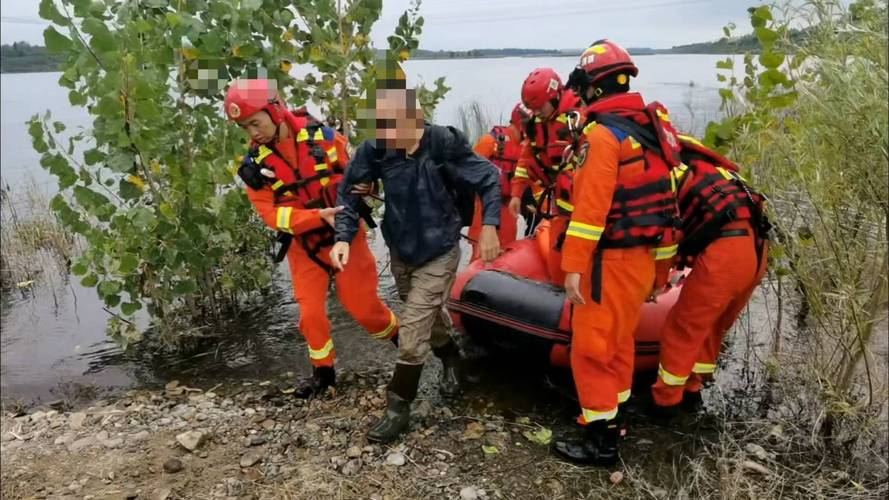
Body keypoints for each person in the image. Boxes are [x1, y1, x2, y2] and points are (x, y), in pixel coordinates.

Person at [331, 74, 502, 444]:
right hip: (402, 248)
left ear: (416, 114)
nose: (388, 133)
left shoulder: (443, 143)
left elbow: (489, 176)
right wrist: (343, 237)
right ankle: (453, 356)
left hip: (441, 248)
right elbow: (347, 192)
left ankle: (398, 408)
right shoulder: (376, 148)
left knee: (411, 332)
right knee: (423, 317)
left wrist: (489, 225)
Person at [224, 79, 399, 399]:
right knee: (310, 314)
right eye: (244, 127)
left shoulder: (328, 140)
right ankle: (324, 373)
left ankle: (405, 343)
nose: (252, 134)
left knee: (364, 309)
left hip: (346, 235)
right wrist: (316, 217)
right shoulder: (255, 169)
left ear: (275, 111)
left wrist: (368, 186)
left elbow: (361, 174)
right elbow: (272, 216)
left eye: (254, 123)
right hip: (304, 246)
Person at [551, 40, 680, 466]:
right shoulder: (650, 132)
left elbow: (590, 211)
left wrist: (572, 266)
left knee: (590, 349)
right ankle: (618, 413)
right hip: (643, 259)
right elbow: (668, 207)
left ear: (594, 87)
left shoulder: (602, 135)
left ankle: (600, 441)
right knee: (620, 341)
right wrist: (661, 273)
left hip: (607, 263)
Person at [648, 134, 770, 418]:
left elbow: (668, 237)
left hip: (727, 252)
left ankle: (665, 403)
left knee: (683, 326)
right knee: (713, 325)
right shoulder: (711, 170)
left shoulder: (670, 174)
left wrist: (656, 282)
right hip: (758, 249)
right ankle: (693, 388)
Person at [508, 68, 583, 284]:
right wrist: (516, 194)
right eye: (533, 109)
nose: (537, 112)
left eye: (540, 107)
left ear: (556, 95)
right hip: (559, 206)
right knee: (556, 261)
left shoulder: (578, 120)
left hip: (582, 205)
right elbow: (526, 161)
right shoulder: (537, 124)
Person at [467, 103, 532, 259]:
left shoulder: (528, 148)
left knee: (504, 257)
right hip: (485, 209)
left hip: (509, 211)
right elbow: (467, 171)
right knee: (481, 258)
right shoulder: (491, 141)